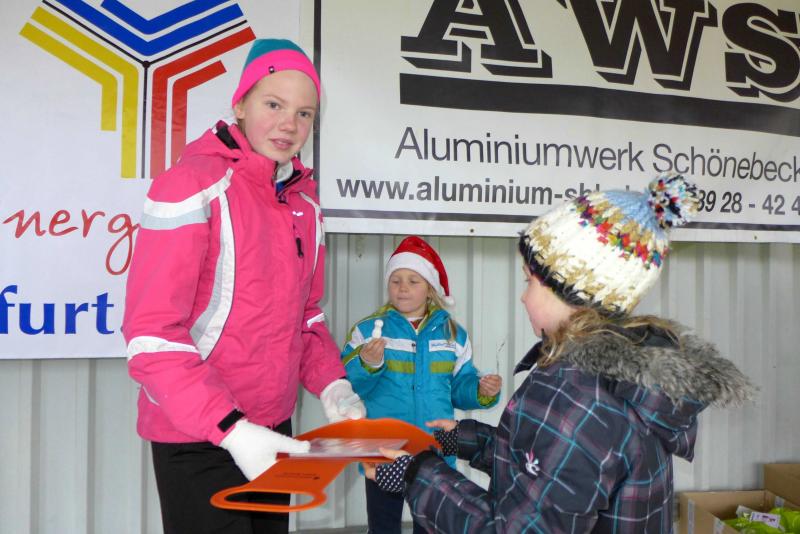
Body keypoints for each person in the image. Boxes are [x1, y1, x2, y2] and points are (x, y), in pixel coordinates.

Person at [364, 175, 756, 533]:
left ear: (571, 289)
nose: (523, 297)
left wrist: (417, 474)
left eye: (529, 282)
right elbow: (551, 470)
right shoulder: (614, 375)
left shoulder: (577, 394)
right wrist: (465, 440)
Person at [122, 38, 365, 534]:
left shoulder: (304, 205)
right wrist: (232, 431)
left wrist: (332, 383)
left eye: (304, 114)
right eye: (273, 105)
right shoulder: (189, 185)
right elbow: (151, 334)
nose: (288, 125)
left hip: (272, 430)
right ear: (240, 105)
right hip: (199, 435)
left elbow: (306, 316)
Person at [342, 236, 503, 534]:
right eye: (396, 280)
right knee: (383, 527)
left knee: (432, 527)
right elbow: (349, 386)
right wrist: (368, 363)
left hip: (435, 452)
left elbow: (459, 387)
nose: (402, 287)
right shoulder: (367, 331)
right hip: (385, 451)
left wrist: (480, 391)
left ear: (429, 289)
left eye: (413, 281)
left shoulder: (453, 334)